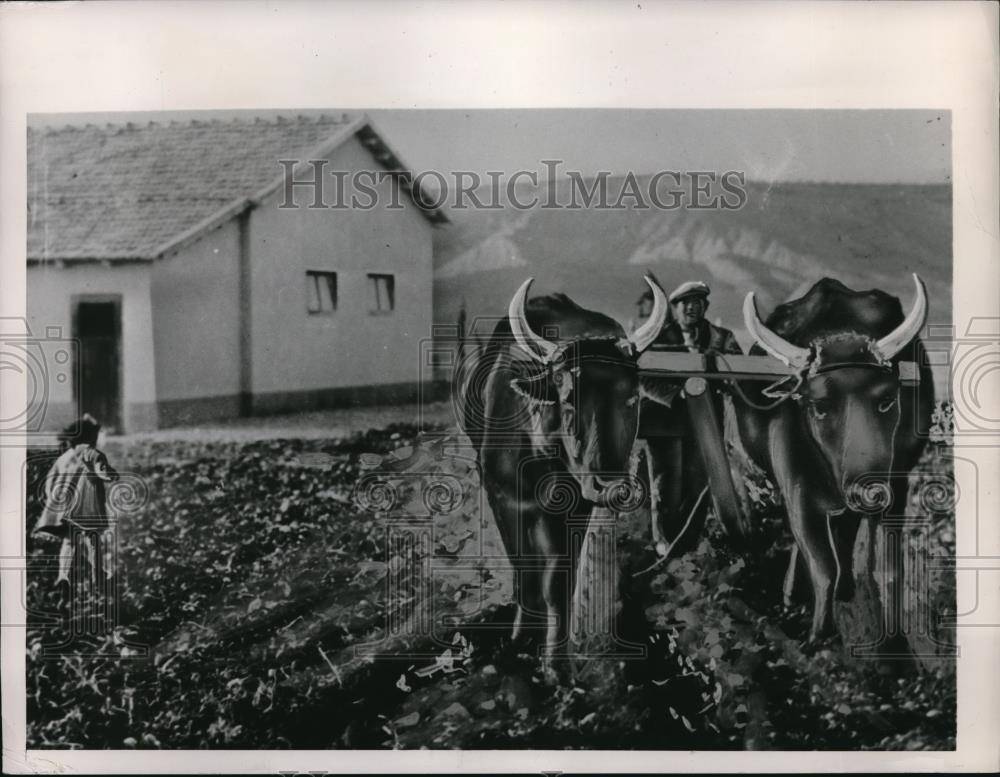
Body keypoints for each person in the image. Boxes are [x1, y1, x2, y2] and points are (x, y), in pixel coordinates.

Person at [632, 281, 742, 556]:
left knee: (699, 483)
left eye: (698, 302)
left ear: (705, 307)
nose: (692, 307)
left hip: (705, 424)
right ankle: (665, 544)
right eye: (685, 303)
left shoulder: (722, 338)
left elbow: (739, 372)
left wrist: (727, 380)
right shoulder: (657, 338)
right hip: (665, 422)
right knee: (667, 484)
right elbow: (642, 377)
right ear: (675, 308)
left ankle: (689, 544)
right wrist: (677, 394)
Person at [33, 414, 119, 605]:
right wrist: (112, 476)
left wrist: (54, 502)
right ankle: (100, 576)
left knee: (70, 542)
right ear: (91, 438)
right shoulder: (91, 453)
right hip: (86, 508)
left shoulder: (64, 457)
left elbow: (50, 482)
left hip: (64, 508)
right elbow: (101, 470)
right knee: (92, 539)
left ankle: (63, 576)